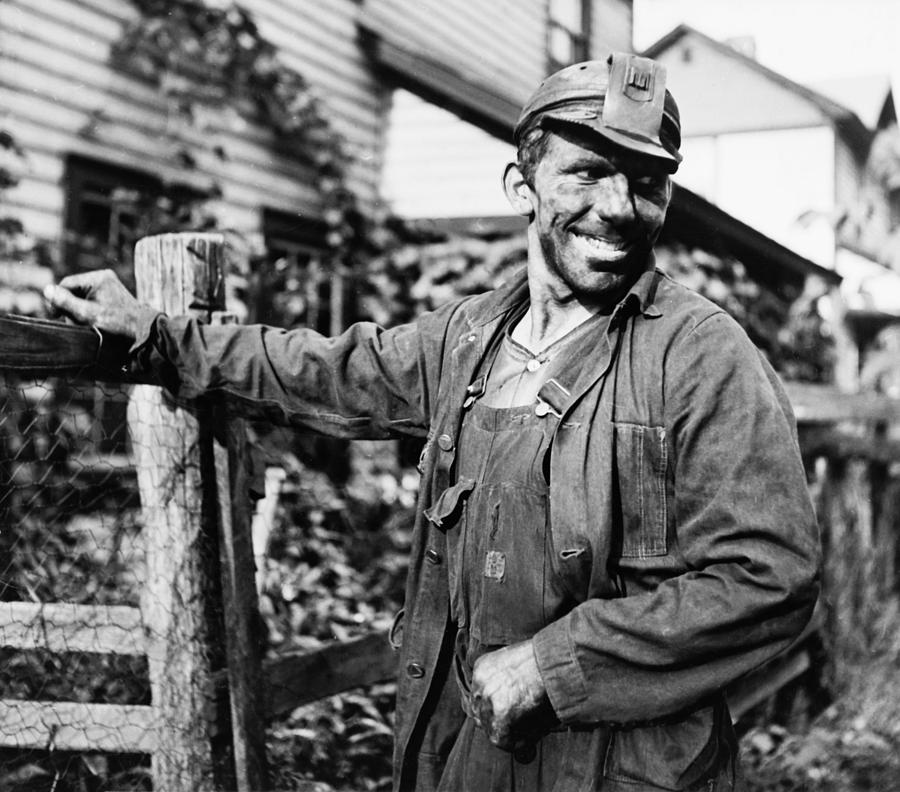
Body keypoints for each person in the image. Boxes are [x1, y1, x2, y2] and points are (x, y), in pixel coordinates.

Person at [45, 53, 820, 792]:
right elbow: (322, 369)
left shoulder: (700, 353)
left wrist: (550, 666)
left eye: (647, 183)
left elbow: (769, 579)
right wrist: (158, 335)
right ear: (523, 184)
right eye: (588, 172)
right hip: (468, 751)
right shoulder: (469, 339)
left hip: (626, 765)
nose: (619, 208)